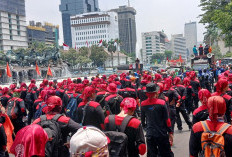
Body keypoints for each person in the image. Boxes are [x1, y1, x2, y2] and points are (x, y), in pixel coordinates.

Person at [141, 83, 174, 157]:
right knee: (165, 153)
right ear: (156, 92)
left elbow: (142, 121)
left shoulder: (143, 104)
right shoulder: (162, 103)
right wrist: (170, 132)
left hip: (150, 134)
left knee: (152, 154)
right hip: (161, 133)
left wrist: (148, 129)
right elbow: (167, 120)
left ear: (146, 93)